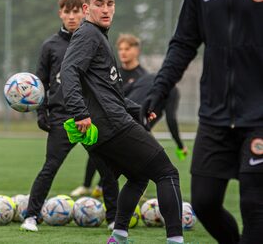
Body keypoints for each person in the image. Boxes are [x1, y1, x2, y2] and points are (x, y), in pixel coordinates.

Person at [141, 0, 263, 243]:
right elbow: (184, 42)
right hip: (215, 113)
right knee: (204, 202)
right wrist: (158, 91)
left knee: (255, 206)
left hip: (260, 115)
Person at [61, 0, 184, 244]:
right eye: (98, 4)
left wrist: (139, 110)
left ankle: (118, 236)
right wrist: (79, 112)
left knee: (138, 177)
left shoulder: (97, 37)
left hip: (104, 127)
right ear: (86, 8)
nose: (105, 9)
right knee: (167, 173)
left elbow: (109, 93)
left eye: (110, 4)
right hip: (111, 125)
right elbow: (68, 72)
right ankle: (176, 240)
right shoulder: (88, 34)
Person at [20, 0, 119, 232]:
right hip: (62, 119)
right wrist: (41, 112)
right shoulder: (50, 46)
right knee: (50, 166)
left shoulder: (92, 38)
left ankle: (115, 218)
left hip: (90, 117)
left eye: (76, 11)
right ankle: (31, 216)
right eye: (67, 11)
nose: (72, 16)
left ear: (83, 12)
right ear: (61, 13)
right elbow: (40, 82)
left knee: (106, 168)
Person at [71, 33, 188, 198]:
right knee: (103, 152)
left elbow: (130, 102)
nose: (123, 52)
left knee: (116, 158)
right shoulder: (113, 72)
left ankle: (106, 189)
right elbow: (116, 97)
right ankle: (91, 186)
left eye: (127, 48)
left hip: (131, 125)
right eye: (120, 49)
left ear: (136, 50)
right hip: (116, 120)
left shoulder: (145, 77)